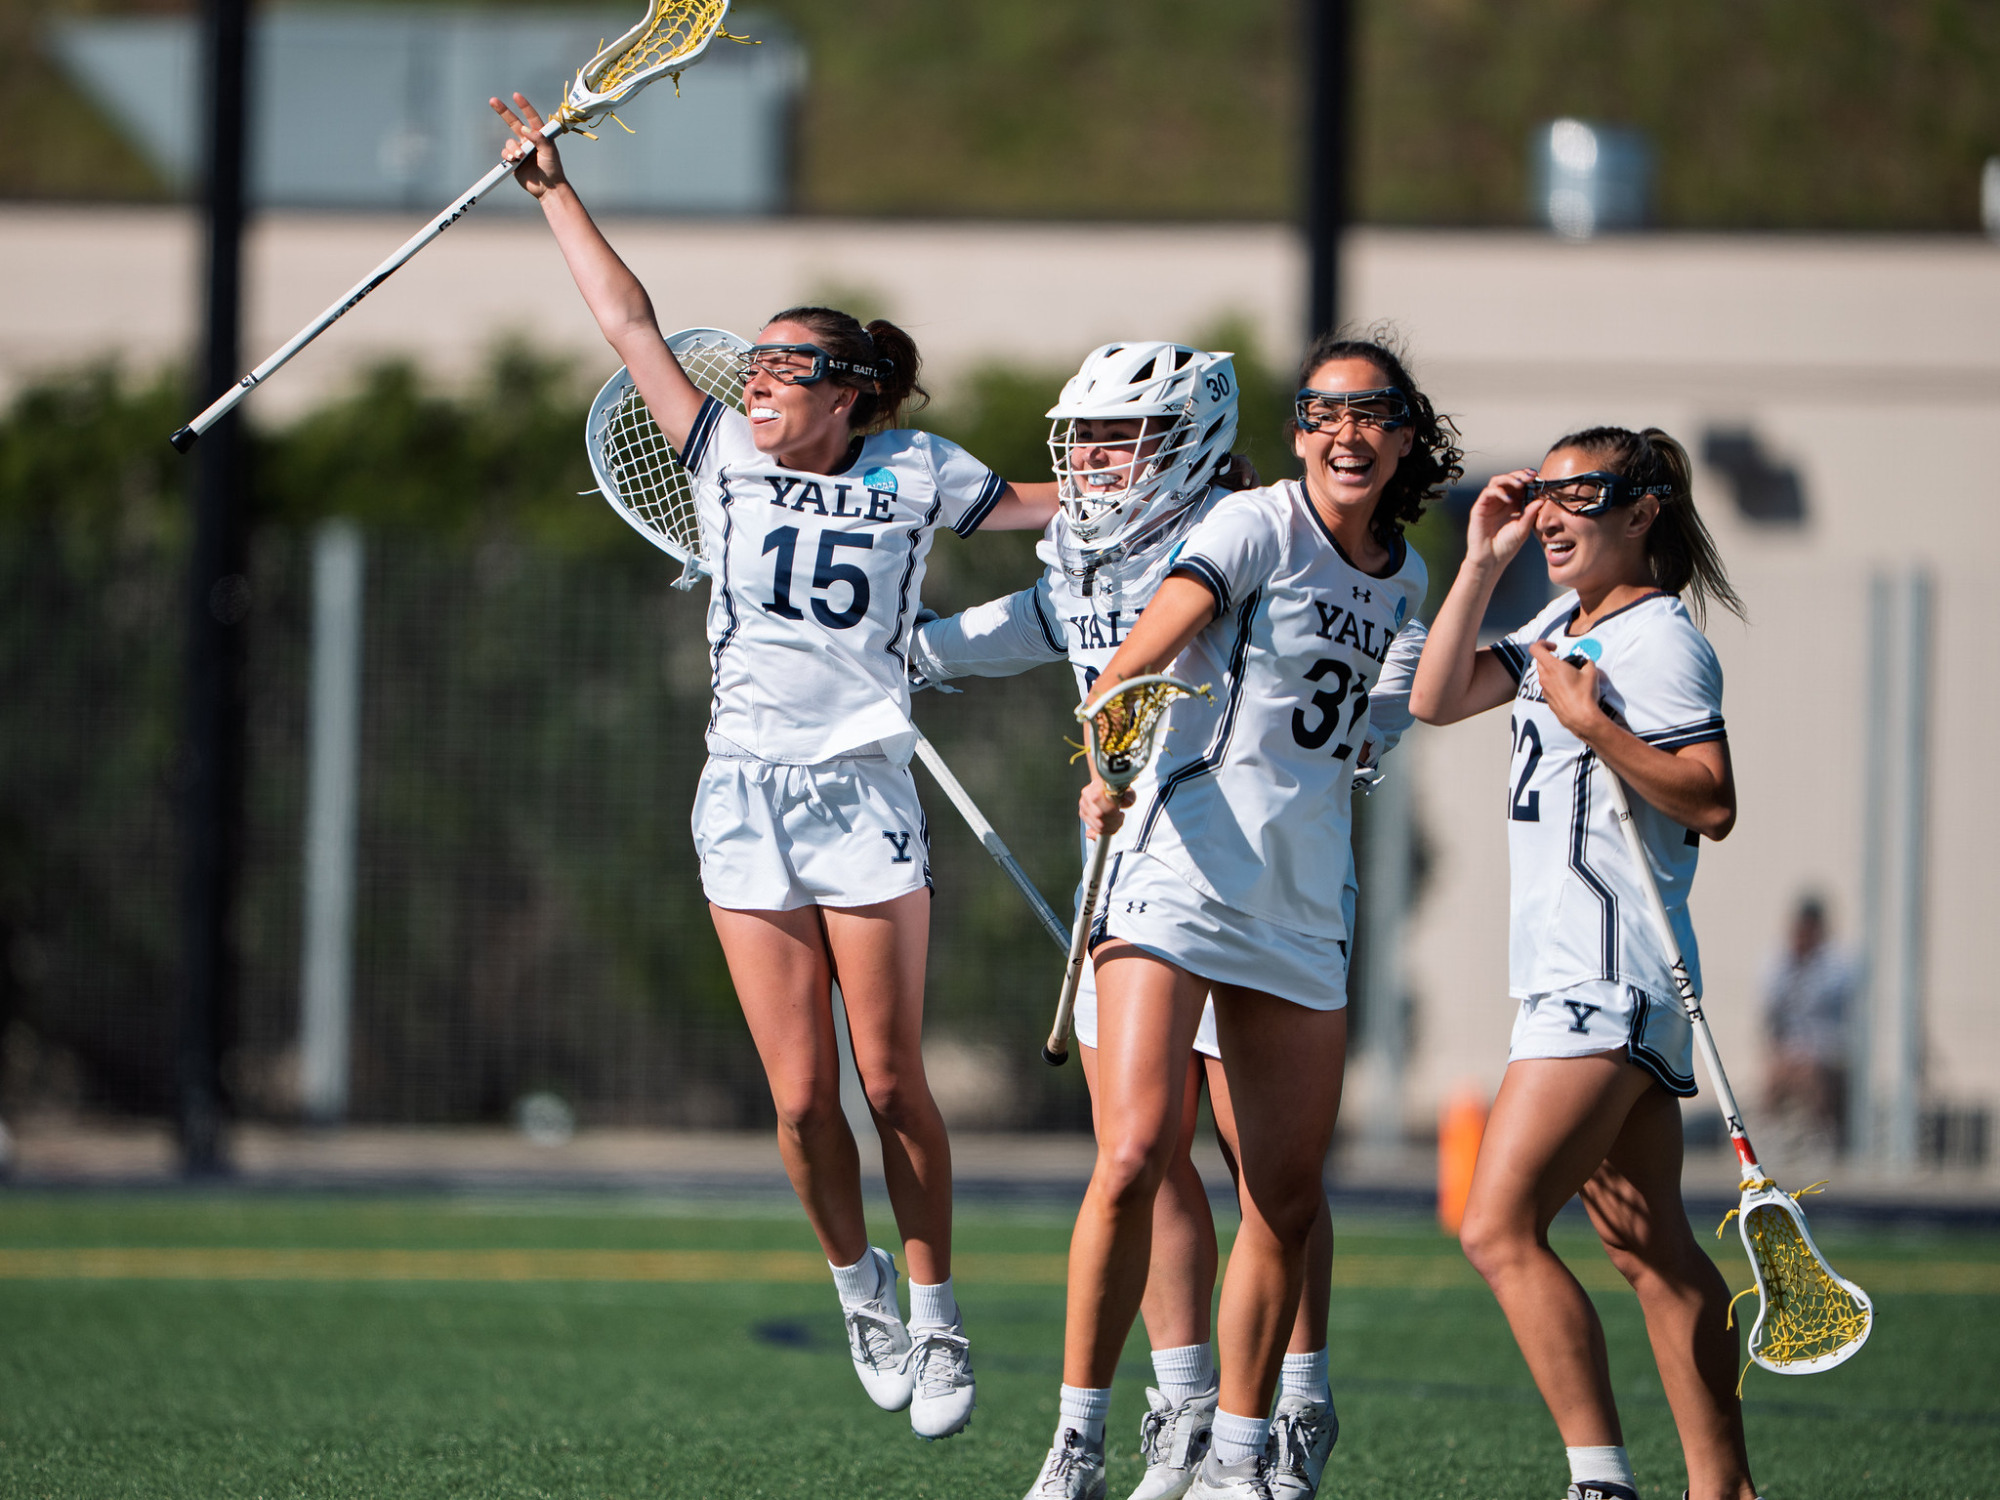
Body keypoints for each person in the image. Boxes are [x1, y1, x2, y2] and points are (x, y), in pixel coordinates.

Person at [494, 92, 1063, 1440]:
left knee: (889, 1082)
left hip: (865, 785)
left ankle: (935, 1314)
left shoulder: (920, 469)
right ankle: (856, 1281)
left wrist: (1209, 511)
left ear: (852, 393)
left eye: (782, 365)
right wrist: (550, 188)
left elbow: (1062, 508)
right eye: (751, 360)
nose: (753, 376)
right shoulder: (715, 457)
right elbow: (632, 324)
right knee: (804, 1102)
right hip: (744, 793)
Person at [911, 340, 1426, 1500]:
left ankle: (1282, 1412)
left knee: (1271, 1182)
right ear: (1296, 428)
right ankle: (1120, 1427)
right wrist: (909, 659)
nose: (1093, 461)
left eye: (1119, 437)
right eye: (1083, 438)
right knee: (1138, 1151)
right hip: (1163, 868)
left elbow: (1378, 719)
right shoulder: (1164, 542)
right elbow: (1055, 635)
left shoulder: (1375, 563)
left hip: (1292, 894)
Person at [1408, 426, 1757, 1500]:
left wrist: (1592, 727)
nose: (1550, 514)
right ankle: (1722, 1490)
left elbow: (1710, 799)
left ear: (1642, 510)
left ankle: (1598, 1480)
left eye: (1579, 494)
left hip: (1603, 979)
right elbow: (1432, 696)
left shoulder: (1657, 640)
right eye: (1540, 493)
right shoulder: (1563, 617)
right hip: (1586, 980)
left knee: (1495, 1228)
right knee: (1651, 1251)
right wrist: (1476, 558)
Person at [1760, 895, 1853, 1149]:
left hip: (1826, 1048)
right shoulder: (1780, 961)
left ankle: (1819, 1135)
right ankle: (1773, 1134)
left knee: (1809, 1071)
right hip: (1791, 1048)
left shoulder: (1836, 964)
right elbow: (1770, 1004)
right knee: (1774, 1072)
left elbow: (1829, 1004)